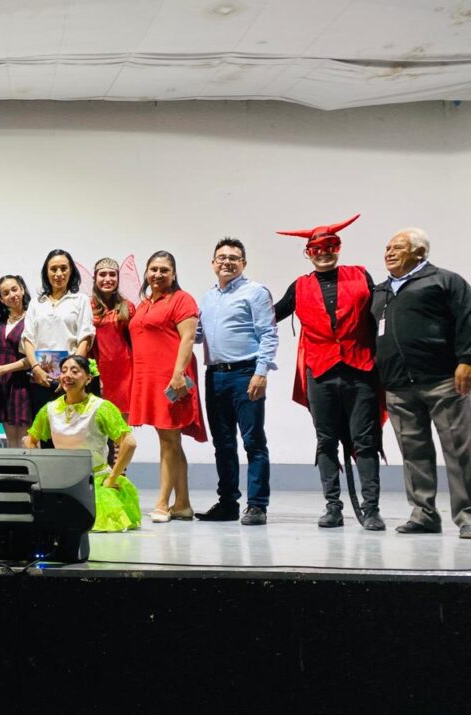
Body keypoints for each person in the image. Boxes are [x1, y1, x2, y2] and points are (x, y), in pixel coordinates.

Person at [275, 215, 385, 531]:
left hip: (360, 369)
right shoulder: (300, 286)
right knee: (326, 441)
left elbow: (381, 312)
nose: (324, 253)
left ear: (338, 248)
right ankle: (333, 507)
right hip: (320, 373)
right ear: (308, 253)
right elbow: (270, 316)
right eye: (317, 249)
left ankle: (371, 509)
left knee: (365, 440)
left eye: (330, 246)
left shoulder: (360, 275)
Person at [371, 227, 471, 539]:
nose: (389, 252)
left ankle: (468, 515)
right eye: (387, 247)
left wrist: (467, 360)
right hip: (398, 386)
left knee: (460, 451)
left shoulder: (444, 281)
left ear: (419, 253)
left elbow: (467, 319)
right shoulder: (380, 292)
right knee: (413, 454)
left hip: (443, 381)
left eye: (398, 247)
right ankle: (423, 514)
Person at [196, 237, 278, 526]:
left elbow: (268, 334)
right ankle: (228, 503)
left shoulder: (255, 292)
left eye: (234, 257)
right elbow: (196, 335)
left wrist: (261, 372)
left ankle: (257, 505)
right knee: (223, 443)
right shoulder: (207, 298)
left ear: (243, 263)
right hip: (214, 375)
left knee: (253, 441)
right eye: (222, 257)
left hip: (246, 374)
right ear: (213, 263)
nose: (227, 262)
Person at [129, 251, 207, 523]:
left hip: (172, 379)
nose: (158, 274)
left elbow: (188, 339)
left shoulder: (182, 299)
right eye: (153, 269)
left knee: (169, 441)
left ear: (174, 274)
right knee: (170, 440)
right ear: (146, 272)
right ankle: (182, 504)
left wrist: (178, 374)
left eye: (164, 270)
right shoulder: (143, 304)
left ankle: (162, 503)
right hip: (148, 379)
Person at [25, 355, 141, 532]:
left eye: (75, 371)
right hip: (61, 483)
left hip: (94, 482)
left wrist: (112, 477)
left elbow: (129, 443)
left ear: (88, 378)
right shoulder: (50, 409)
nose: (67, 375)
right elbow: (30, 440)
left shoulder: (101, 407)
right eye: (64, 371)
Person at [23, 249, 95, 420]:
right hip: (40, 378)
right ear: (46, 272)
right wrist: (36, 369)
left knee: (71, 428)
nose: (59, 274)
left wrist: (70, 373)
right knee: (42, 429)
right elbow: (27, 339)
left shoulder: (81, 300)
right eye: (53, 269)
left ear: (71, 271)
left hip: (71, 379)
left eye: (64, 268)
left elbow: (85, 338)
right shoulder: (36, 303)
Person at [0, 275, 33, 448]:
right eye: (6, 293)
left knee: (25, 440)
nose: (12, 295)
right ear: (1, 299)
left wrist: (5, 369)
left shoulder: (32, 318)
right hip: (3, 383)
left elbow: (33, 358)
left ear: (22, 289)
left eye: (14, 289)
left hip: (24, 382)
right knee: (11, 440)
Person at [90, 257, 135, 419]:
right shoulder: (87, 306)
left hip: (125, 372)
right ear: (95, 278)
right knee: (98, 424)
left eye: (112, 274)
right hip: (97, 370)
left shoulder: (127, 306)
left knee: (121, 426)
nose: (108, 279)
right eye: (103, 274)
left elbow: (135, 342)